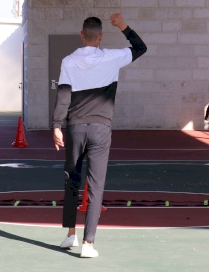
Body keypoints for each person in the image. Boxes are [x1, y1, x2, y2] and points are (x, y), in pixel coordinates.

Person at [52, 13, 147, 258]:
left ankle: (70, 234)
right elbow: (140, 47)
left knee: (71, 179)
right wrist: (123, 25)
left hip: (75, 127)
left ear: (81, 35)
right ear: (101, 37)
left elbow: (63, 95)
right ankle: (88, 244)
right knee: (96, 185)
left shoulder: (68, 61)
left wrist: (56, 126)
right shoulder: (112, 58)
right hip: (101, 129)